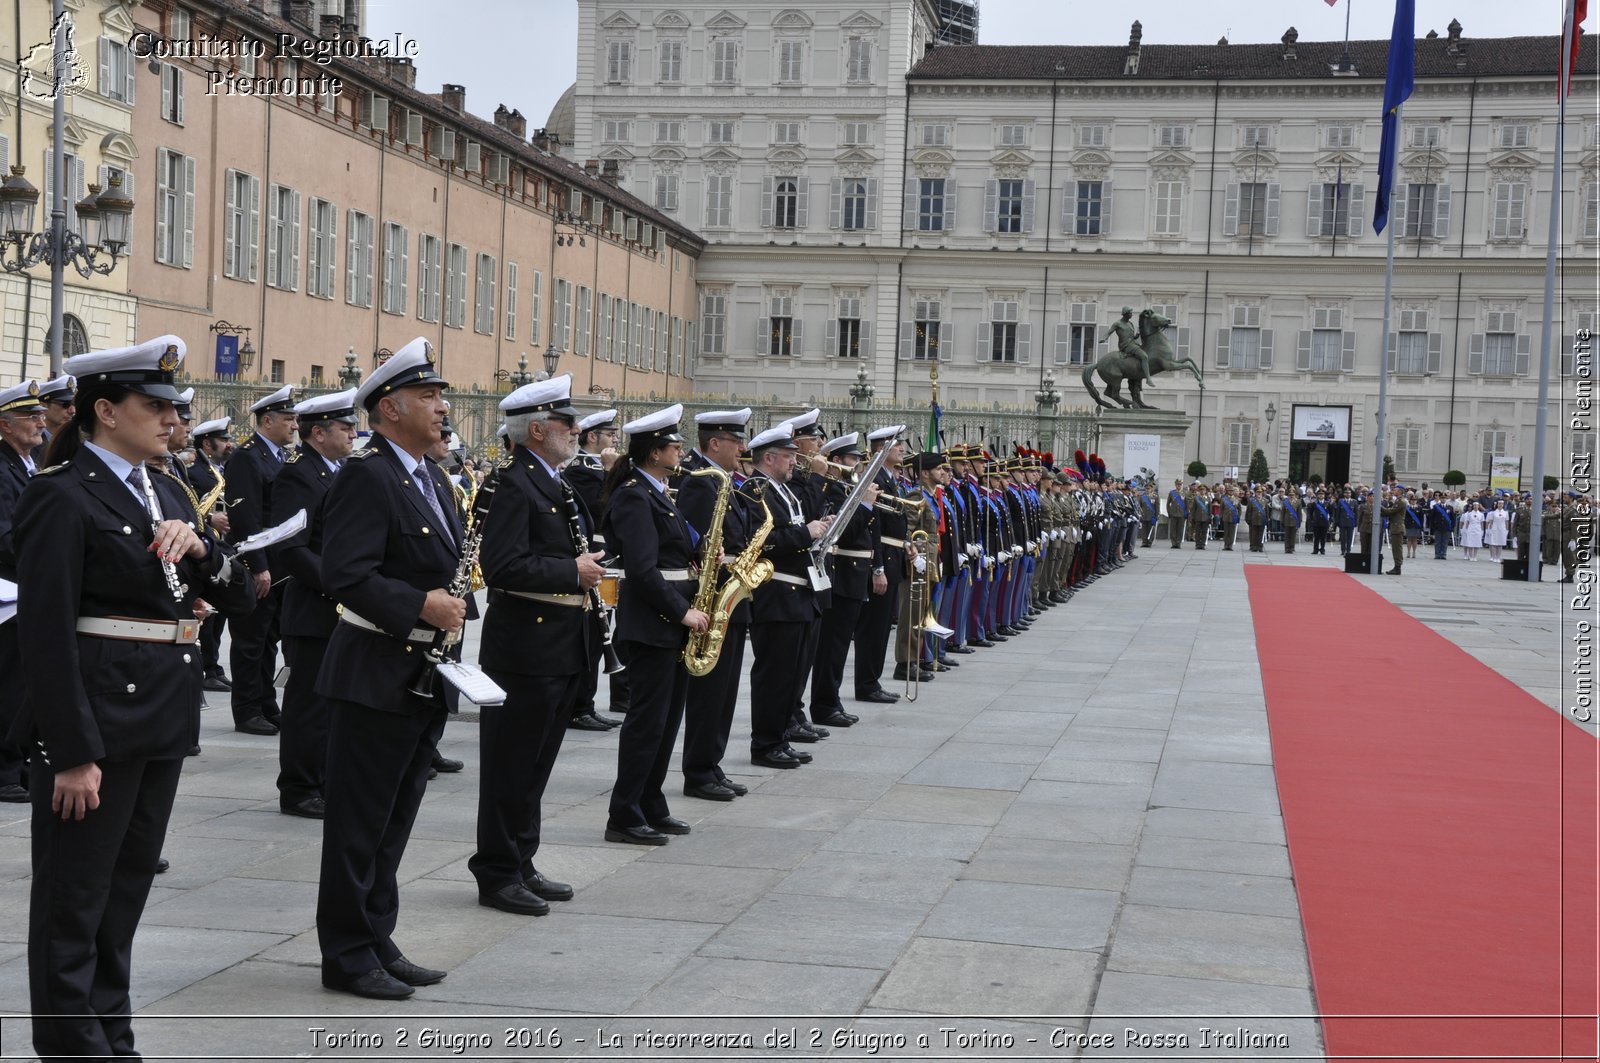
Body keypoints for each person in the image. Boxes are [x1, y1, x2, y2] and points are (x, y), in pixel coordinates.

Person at [14, 337, 253, 1059]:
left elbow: (239, 594)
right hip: (98, 717)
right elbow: (45, 633)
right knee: (74, 900)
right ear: (105, 410)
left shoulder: (171, 491)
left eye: (173, 407)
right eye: (154, 406)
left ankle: (111, 1031)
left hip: (160, 713)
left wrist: (206, 551)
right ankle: (72, 1046)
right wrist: (71, 750)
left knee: (124, 894)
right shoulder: (60, 493)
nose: (170, 419)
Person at [315, 338, 462, 1000]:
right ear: (389, 408)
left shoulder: (431, 475)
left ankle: (378, 934)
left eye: (440, 395)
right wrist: (419, 605)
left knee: (396, 816)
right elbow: (345, 575)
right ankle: (346, 952)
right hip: (373, 666)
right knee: (359, 822)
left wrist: (455, 603)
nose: (441, 406)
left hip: (422, 672)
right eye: (428, 396)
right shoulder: (366, 475)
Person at [470, 375, 592, 913]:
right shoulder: (513, 483)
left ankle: (521, 859)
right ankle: (496, 872)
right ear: (538, 430)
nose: (577, 430)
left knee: (535, 764)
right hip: (526, 646)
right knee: (510, 765)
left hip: (560, 643)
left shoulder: (554, 481)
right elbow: (500, 566)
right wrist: (573, 569)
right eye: (567, 423)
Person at [600, 404, 709, 845]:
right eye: (674, 445)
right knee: (647, 722)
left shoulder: (661, 491)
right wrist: (682, 611)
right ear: (653, 452)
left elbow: (672, 554)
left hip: (674, 622)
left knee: (667, 721)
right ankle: (624, 813)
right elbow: (643, 570)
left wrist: (703, 559)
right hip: (653, 623)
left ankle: (651, 802)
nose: (681, 450)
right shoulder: (632, 495)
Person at [270, 390, 359, 819]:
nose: (353, 434)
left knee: (331, 705)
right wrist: (342, 582)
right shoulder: (298, 474)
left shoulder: (339, 470)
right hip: (313, 607)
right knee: (307, 706)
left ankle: (323, 780)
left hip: (340, 608)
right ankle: (299, 789)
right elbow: (291, 546)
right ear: (319, 433)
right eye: (345, 428)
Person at [678, 408, 762, 801]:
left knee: (726, 689)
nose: (743, 447)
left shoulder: (727, 481)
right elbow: (698, 547)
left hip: (732, 597)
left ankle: (712, 763)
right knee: (710, 691)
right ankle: (698, 771)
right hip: (713, 598)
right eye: (736, 441)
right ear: (715, 443)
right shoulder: (701, 483)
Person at [741, 423, 830, 770]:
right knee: (774, 675)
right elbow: (761, 540)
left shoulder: (782, 490)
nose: (795, 462)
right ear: (769, 457)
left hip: (798, 591)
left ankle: (779, 736)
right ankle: (765, 743)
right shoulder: (757, 489)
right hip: (776, 592)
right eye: (789, 456)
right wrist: (804, 533)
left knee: (791, 674)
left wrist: (820, 530)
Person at [225, 385, 299, 735]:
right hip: (259, 564)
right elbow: (247, 518)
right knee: (251, 640)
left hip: (279, 566)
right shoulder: (247, 456)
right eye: (288, 419)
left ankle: (266, 702)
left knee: (269, 639)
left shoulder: (280, 457)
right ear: (267, 420)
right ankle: (247, 708)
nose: (294, 425)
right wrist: (257, 565)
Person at [808, 432, 879, 725]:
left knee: (838, 647)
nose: (858, 465)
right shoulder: (835, 490)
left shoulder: (845, 488)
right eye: (854, 459)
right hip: (842, 576)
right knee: (832, 646)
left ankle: (831, 700)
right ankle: (825, 704)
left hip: (853, 575)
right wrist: (864, 504)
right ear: (837, 461)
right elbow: (844, 532)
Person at [564, 408, 624, 731]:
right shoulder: (581, 472)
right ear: (592, 438)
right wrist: (613, 473)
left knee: (599, 633)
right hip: (591, 562)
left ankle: (586, 702)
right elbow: (605, 509)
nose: (614, 439)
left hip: (605, 563)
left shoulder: (595, 470)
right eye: (609, 434)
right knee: (589, 639)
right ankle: (579, 705)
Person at [0, 380, 45, 802]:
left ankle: (20, 762)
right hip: (8, 594)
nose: (40, 423)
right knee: (10, 684)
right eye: (30, 418)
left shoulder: (31, 464)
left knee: (27, 683)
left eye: (39, 416)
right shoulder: (1, 467)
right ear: (5, 426)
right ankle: (4, 770)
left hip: (28, 589)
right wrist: (51, 556)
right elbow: (5, 537)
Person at [186, 417, 234, 691]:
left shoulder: (219, 471)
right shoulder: (197, 473)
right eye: (224, 440)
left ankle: (214, 666)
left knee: (219, 616)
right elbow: (192, 509)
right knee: (207, 614)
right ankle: (207, 667)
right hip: (204, 544)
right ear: (207, 443)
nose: (229, 444)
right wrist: (211, 520)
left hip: (220, 546)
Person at [32, 373, 75, 464]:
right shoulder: (31, 442)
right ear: (43, 406)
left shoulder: (78, 440)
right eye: (65, 404)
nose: (72, 410)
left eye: (74, 404)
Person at [1428, 493, 1455, 560]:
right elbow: (1432, 517)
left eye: (1444, 498)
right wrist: (1432, 527)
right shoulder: (1435, 507)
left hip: (1446, 527)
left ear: (1446, 499)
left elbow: (1452, 519)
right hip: (1438, 526)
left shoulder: (1450, 508)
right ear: (1440, 499)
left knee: (1445, 542)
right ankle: (1437, 554)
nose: (1443, 499)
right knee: (1437, 541)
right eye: (1442, 498)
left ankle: (1443, 554)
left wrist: (1452, 527)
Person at [1166, 478, 1187, 548]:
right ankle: (1173, 543)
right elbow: (1168, 504)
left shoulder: (1184, 493)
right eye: (1177, 484)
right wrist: (1169, 512)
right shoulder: (1172, 493)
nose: (1179, 486)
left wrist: (1186, 513)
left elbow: (1186, 504)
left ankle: (1178, 543)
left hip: (1181, 514)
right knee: (1173, 529)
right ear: (1175, 485)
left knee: (1180, 529)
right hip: (1173, 513)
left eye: (1180, 484)